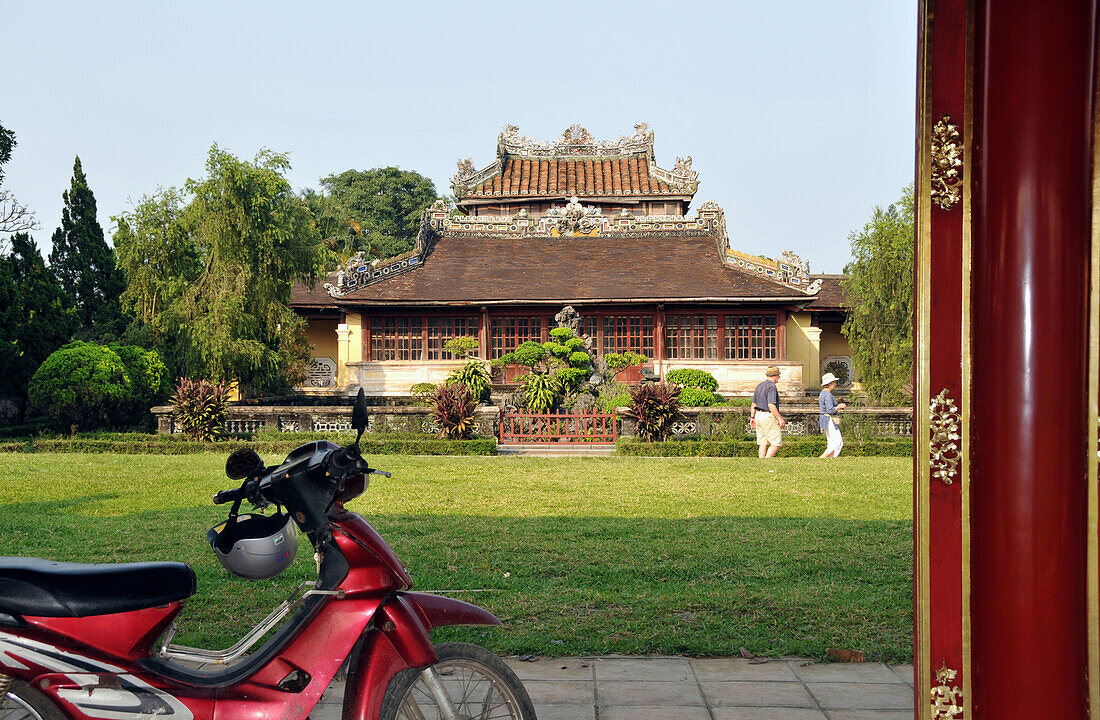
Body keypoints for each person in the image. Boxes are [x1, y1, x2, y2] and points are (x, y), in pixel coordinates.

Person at [749, 366, 785, 458]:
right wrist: (780, 419)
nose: (778, 379)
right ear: (775, 376)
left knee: (763, 442)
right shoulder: (772, 386)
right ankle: (767, 460)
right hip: (767, 416)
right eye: (778, 376)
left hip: (758, 415)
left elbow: (754, 403)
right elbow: (771, 405)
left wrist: (752, 417)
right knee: (776, 442)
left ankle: (761, 462)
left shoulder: (760, 385)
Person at [818, 372, 847, 458]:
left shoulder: (823, 393)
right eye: (834, 382)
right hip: (829, 419)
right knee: (838, 442)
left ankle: (826, 459)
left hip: (825, 419)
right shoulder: (828, 395)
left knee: (831, 442)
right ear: (829, 384)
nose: (835, 384)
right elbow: (830, 410)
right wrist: (839, 406)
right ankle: (824, 458)